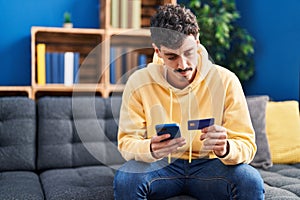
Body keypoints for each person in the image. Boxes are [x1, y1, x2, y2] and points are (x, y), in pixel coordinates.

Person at [113, 4, 264, 200]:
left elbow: (247, 145)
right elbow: (126, 143)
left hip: (210, 165)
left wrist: (225, 148)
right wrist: (150, 148)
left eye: (189, 52)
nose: (183, 65)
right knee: (126, 179)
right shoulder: (138, 83)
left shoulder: (226, 80)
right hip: (160, 165)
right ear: (157, 51)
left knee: (250, 180)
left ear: (198, 41)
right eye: (172, 56)